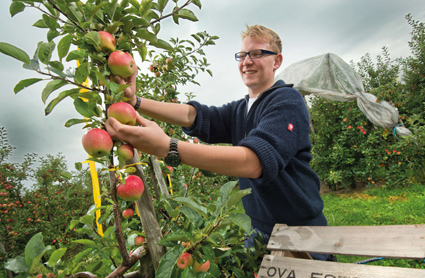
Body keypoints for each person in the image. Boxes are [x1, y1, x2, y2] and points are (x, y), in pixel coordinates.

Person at [106, 25, 331, 260]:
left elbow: (255, 162)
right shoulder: (241, 109)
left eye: (256, 54)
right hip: (259, 230)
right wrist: (136, 102)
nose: (246, 62)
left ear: (277, 61)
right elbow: (194, 116)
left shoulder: (287, 101)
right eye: (242, 55)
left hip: (303, 233)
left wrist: (168, 147)